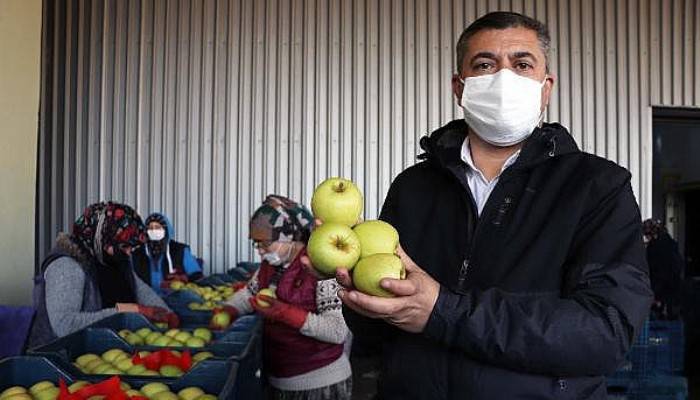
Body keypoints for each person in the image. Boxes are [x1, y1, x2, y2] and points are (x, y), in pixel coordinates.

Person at [337, 11, 653, 400]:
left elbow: (604, 332)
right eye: (485, 65)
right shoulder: (413, 187)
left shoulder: (596, 186)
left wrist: (444, 312)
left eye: (522, 64)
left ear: (545, 87)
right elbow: (377, 334)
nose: (504, 78)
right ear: (460, 86)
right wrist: (358, 292)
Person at [222, 195, 352, 400]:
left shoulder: (321, 267)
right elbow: (249, 293)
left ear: (290, 238)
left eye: (266, 244)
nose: (261, 252)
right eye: (257, 244)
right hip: (278, 377)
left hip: (319, 383)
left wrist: (285, 313)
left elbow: (337, 331)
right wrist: (229, 310)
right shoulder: (270, 266)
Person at [28, 202, 179, 348]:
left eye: (131, 247)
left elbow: (140, 290)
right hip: (63, 357)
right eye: (124, 246)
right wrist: (129, 311)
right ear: (103, 239)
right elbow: (65, 325)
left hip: (106, 351)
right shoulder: (67, 266)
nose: (128, 252)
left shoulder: (112, 259)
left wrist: (166, 312)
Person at [132, 212, 203, 291]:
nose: (153, 230)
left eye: (157, 227)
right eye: (150, 228)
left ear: (166, 229)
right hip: (145, 300)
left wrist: (184, 279)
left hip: (175, 298)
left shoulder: (180, 250)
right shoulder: (137, 253)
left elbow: (197, 276)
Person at [643, 219, 684, 320]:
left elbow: (657, 271)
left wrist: (653, 292)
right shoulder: (671, 243)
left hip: (661, 290)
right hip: (673, 289)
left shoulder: (655, 248)